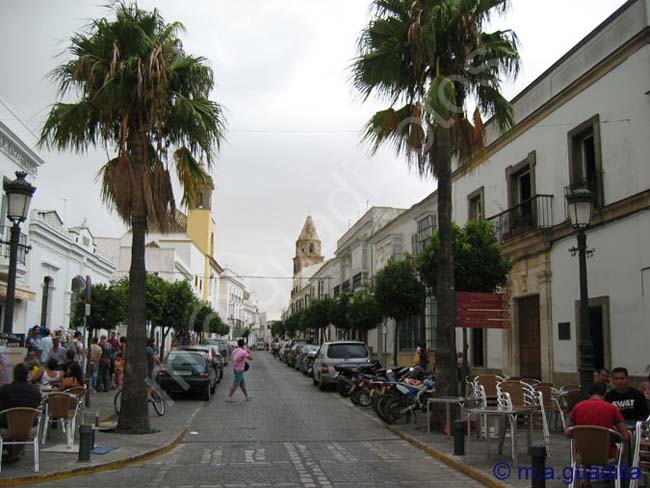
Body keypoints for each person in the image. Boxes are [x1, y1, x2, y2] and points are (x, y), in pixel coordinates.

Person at [566, 382, 630, 460]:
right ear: (604, 394)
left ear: (589, 394)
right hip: (607, 454)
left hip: (582, 452)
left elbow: (568, 433)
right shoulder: (612, 409)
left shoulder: (577, 407)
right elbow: (625, 435)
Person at [0, 363, 42, 463]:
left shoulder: (5, 390)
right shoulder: (35, 391)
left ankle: (11, 451)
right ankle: (15, 452)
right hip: (29, 427)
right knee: (24, 425)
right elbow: (37, 405)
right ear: (27, 375)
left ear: (14, 374)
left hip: (7, 427)